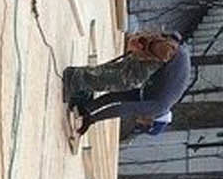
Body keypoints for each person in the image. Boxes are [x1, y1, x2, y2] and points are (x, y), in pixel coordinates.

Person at [65, 35, 195, 137]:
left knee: (121, 73)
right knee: (122, 80)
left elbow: (114, 97)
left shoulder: (155, 96)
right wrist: (91, 119)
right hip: (167, 52)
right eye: (142, 123)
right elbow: (123, 109)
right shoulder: (158, 107)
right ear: (151, 121)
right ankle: (74, 80)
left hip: (170, 46)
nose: (138, 120)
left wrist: (87, 108)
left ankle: (77, 77)